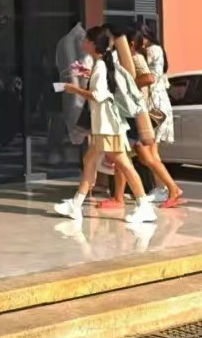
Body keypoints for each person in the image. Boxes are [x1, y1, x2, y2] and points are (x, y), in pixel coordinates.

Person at [54, 26, 158, 225]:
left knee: (124, 165)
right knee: (90, 161)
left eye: (86, 40)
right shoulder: (101, 65)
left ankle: (144, 206)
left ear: (94, 44)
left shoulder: (101, 66)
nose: (83, 42)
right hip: (104, 126)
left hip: (108, 127)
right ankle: (76, 204)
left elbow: (98, 95)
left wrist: (73, 89)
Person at [104, 26, 184, 210]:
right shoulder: (125, 59)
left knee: (145, 157)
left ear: (130, 43)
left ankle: (173, 189)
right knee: (125, 156)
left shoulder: (136, 58)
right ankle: (119, 197)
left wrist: (128, 83)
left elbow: (149, 78)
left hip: (140, 114)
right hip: (135, 113)